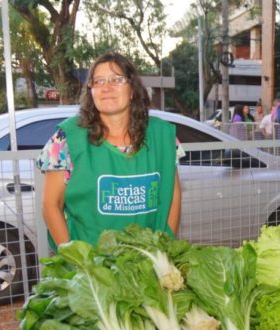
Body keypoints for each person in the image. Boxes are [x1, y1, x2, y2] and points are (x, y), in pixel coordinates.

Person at [37, 52, 181, 249]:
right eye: (98, 81)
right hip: (91, 267)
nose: (106, 88)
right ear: (91, 91)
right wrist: (76, 261)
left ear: (132, 90)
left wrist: (164, 252)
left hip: (147, 263)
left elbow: (172, 197)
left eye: (116, 79)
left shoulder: (163, 137)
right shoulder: (66, 140)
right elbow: (51, 205)